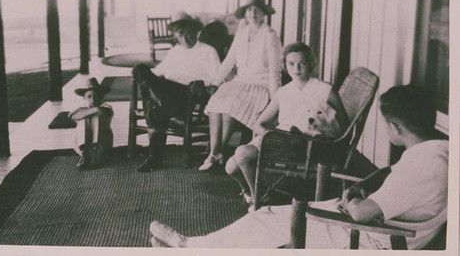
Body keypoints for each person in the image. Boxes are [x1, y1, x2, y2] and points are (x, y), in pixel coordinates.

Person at [149, 85, 448, 250]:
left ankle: (189, 246)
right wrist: (365, 183)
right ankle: (194, 246)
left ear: (395, 127)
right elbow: (392, 175)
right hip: (383, 227)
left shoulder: (422, 167)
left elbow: (361, 213)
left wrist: (352, 199)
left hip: (370, 238)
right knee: (267, 215)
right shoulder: (439, 150)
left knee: (264, 224)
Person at [226, 42, 349, 208]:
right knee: (231, 166)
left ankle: (257, 199)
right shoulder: (284, 92)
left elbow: (344, 125)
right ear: (284, 66)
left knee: (242, 155)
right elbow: (260, 123)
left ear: (311, 64)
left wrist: (325, 135)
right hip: (279, 140)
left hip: (306, 146)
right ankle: (250, 192)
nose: (296, 68)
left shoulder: (324, 90)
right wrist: (266, 137)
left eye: (302, 63)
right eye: (291, 64)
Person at [200, 0, 282, 171]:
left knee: (231, 104)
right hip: (241, 81)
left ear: (264, 14)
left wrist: (276, 100)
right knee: (217, 100)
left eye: (257, 10)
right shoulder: (242, 33)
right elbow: (229, 60)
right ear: (245, 13)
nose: (253, 13)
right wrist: (216, 82)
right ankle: (214, 152)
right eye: (250, 9)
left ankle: (218, 151)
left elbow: (276, 70)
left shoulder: (270, 35)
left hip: (261, 85)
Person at [133, 11, 221, 173]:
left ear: (195, 30)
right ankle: (158, 102)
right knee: (139, 69)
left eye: (185, 31)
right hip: (166, 94)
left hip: (186, 96)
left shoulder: (208, 51)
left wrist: (203, 82)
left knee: (152, 102)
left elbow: (217, 78)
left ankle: (154, 157)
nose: (182, 37)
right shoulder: (175, 51)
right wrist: (145, 78)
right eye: (179, 34)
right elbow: (157, 72)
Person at [70, 78, 114, 169]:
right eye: (89, 96)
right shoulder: (81, 108)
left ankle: (95, 153)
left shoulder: (106, 107)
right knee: (84, 119)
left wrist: (94, 110)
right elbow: (73, 117)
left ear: (101, 96)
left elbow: (106, 112)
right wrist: (94, 110)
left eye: (96, 96)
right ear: (84, 98)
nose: (93, 99)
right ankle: (85, 153)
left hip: (102, 144)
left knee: (96, 118)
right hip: (81, 145)